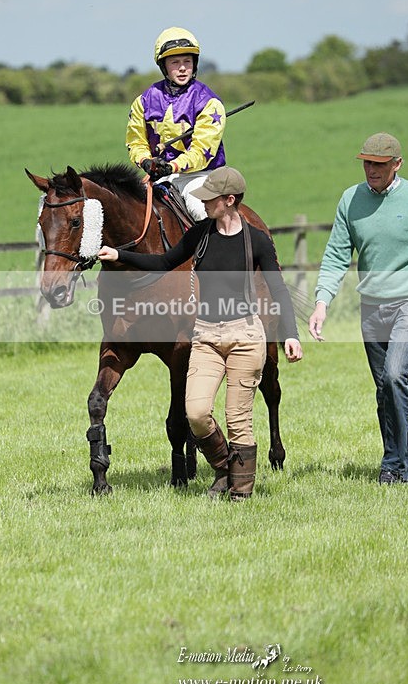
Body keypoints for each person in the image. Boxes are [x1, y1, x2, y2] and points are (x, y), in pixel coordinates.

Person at [98, 166, 303, 500]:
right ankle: (224, 468)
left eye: (210, 199)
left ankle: (240, 492)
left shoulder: (258, 241)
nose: (204, 203)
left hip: (245, 335)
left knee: (238, 421)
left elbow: (278, 290)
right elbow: (164, 262)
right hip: (206, 335)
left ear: (230, 200)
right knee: (196, 413)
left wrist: (290, 334)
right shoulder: (200, 235)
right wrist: (119, 254)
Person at [308, 132, 408, 485]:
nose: (371, 169)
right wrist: (321, 302)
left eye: (379, 164)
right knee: (384, 389)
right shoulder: (350, 200)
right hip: (372, 307)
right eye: (367, 163)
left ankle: (397, 465)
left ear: (397, 164)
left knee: (395, 375)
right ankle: (397, 463)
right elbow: (337, 254)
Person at [125, 26, 226, 221]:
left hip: (199, 177)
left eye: (187, 61)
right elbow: (136, 142)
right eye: (175, 62)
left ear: (194, 64)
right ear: (164, 66)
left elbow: (202, 151)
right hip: (158, 178)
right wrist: (146, 161)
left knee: (202, 213)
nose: (182, 68)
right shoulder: (143, 101)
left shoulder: (209, 102)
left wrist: (172, 167)